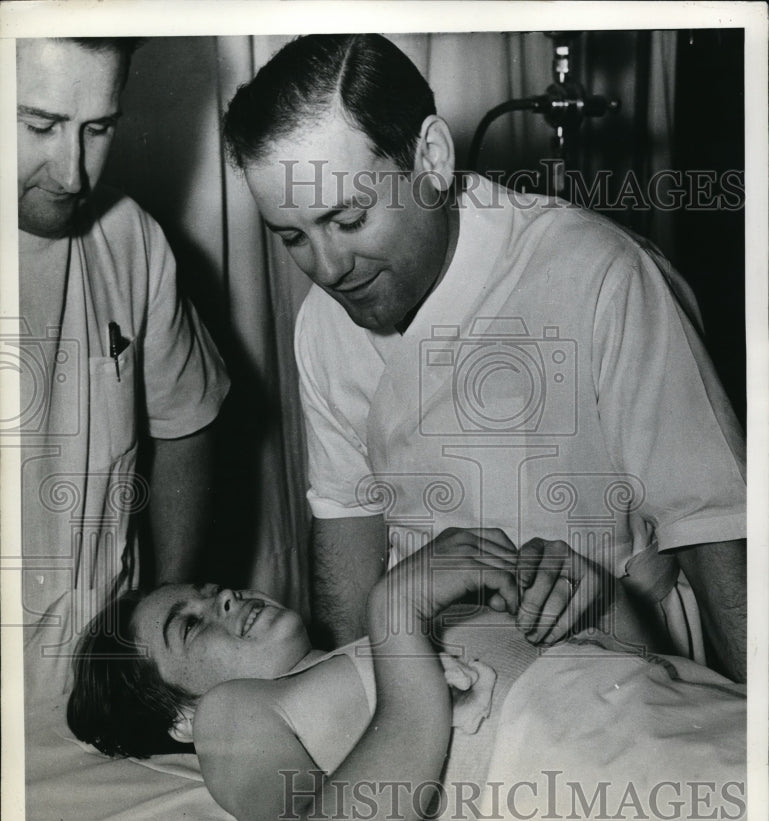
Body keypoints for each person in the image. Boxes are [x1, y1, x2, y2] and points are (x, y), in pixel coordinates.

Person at [221, 33, 747, 682]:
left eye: (350, 220)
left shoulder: (598, 273)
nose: (327, 268)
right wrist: (353, 703)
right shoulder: (324, 323)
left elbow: (712, 525)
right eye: (292, 236)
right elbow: (347, 524)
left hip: (619, 659)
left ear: (432, 159)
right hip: (440, 677)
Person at [67, 527, 666, 821]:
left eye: (210, 589)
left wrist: (593, 598)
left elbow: (649, 673)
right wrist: (394, 612)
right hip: (655, 793)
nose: (224, 596)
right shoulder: (234, 713)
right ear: (182, 720)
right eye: (191, 626)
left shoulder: (395, 639)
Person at [16, 37, 230, 703]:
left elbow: (186, 424)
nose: (73, 172)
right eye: (40, 125)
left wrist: (159, 618)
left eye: (98, 128)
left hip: (96, 689)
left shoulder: (128, 237)